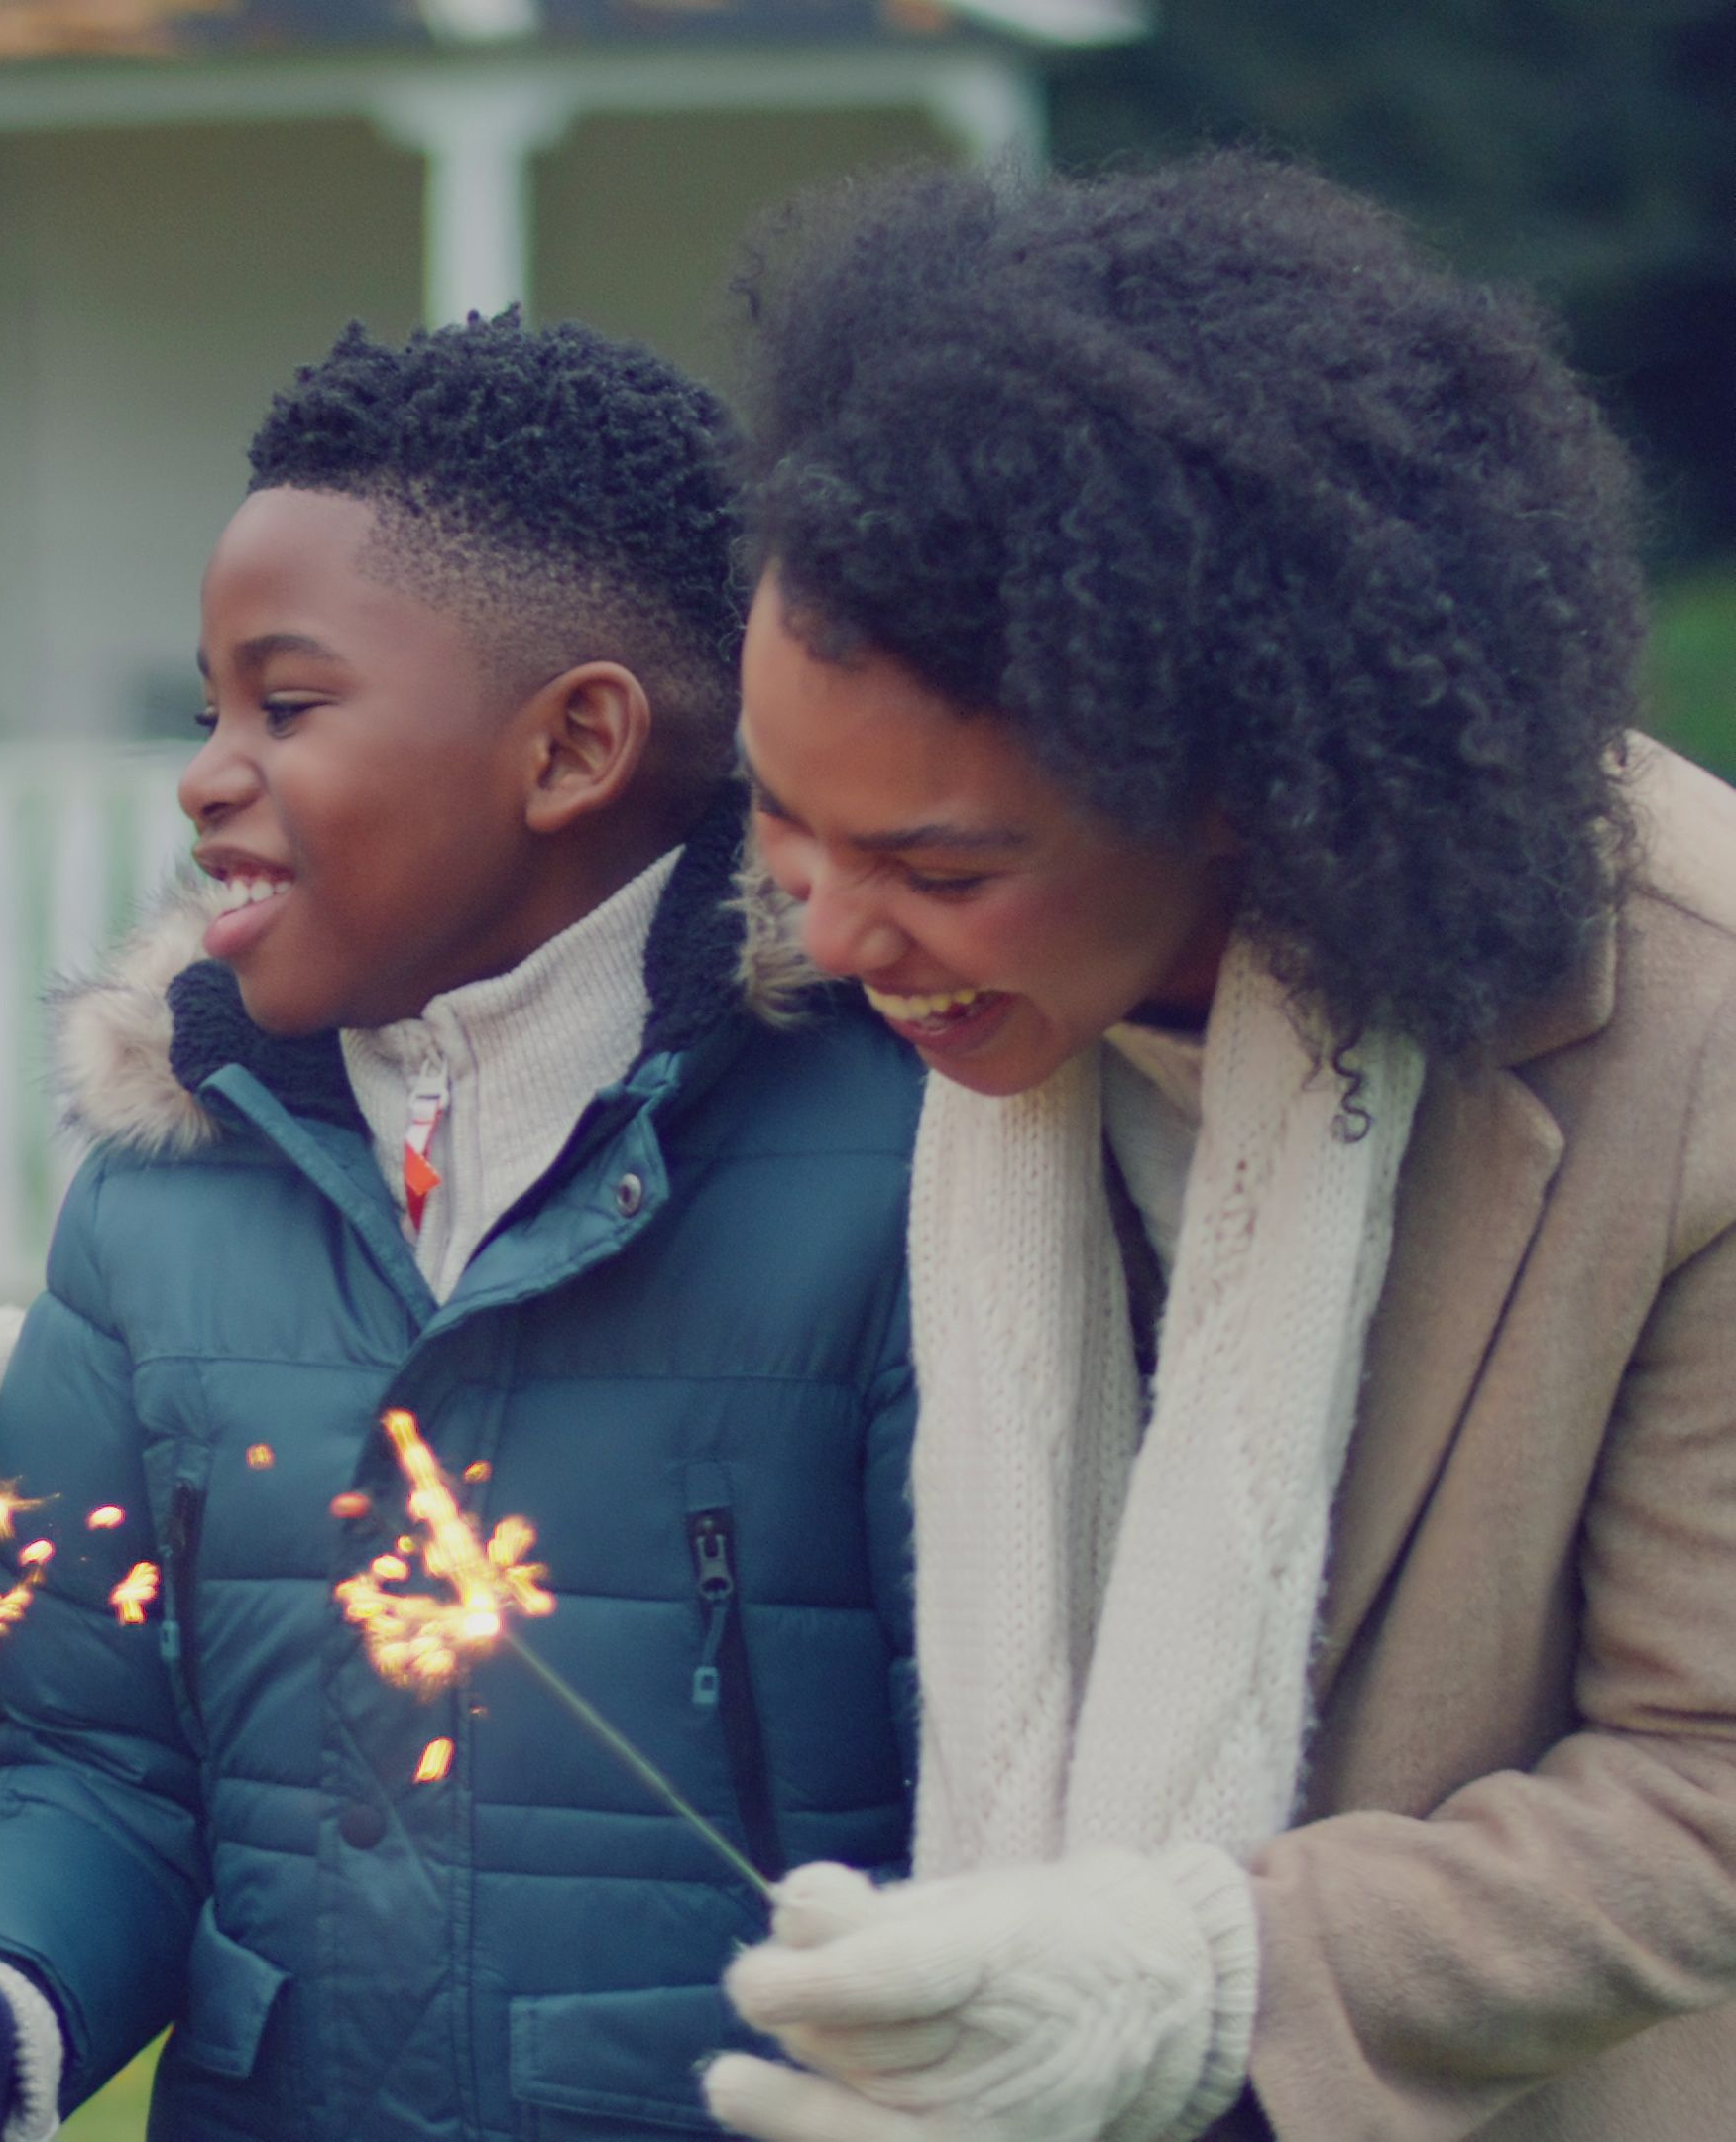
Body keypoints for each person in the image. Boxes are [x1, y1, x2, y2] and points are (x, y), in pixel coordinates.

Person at [704, 154, 1736, 2142]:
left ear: (1243, 791)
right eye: (783, 820)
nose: (824, 934)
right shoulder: (833, 913)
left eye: (938, 866)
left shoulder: (1696, 1040)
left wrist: (1207, 1991)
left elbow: (1708, 1779)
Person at [0, 318, 929, 2142]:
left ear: (570, 747)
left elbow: (996, 1781)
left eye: (289, 705)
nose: (206, 773)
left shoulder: (887, 1171)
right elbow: (96, 1755)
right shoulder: (158, 1198)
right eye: (207, 712)